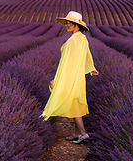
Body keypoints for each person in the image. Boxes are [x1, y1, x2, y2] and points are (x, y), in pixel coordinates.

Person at [41, 11, 99, 144]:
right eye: (66, 23)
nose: (66, 25)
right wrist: (92, 68)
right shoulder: (82, 38)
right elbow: (87, 54)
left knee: (74, 105)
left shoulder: (73, 40)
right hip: (77, 76)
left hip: (70, 76)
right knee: (76, 103)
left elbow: (65, 63)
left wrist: (56, 80)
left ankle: (83, 133)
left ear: (76, 25)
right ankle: (77, 133)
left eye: (69, 23)